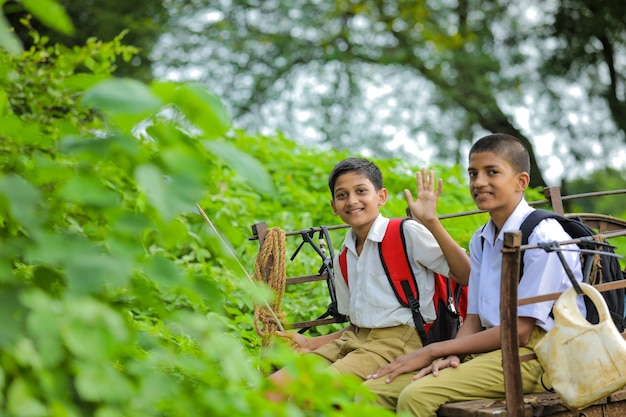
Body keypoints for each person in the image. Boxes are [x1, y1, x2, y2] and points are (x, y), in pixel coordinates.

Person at [362, 133, 586, 416]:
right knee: (374, 392)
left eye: (492, 172)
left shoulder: (543, 235)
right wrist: (453, 351)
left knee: (416, 397)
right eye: (473, 173)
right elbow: (474, 318)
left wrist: (433, 350)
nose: (479, 183)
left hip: (542, 354)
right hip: (493, 346)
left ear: (521, 181)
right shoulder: (482, 238)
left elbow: (520, 330)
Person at [266, 157, 470, 401]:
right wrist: (311, 343)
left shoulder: (405, 233)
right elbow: (357, 326)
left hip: (400, 342)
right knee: (272, 390)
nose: (352, 201)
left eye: (361, 191)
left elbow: (466, 275)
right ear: (333, 205)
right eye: (342, 195)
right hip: (355, 341)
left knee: (310, 396)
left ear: (381, 196)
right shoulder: (344, 256)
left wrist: (430, 222)